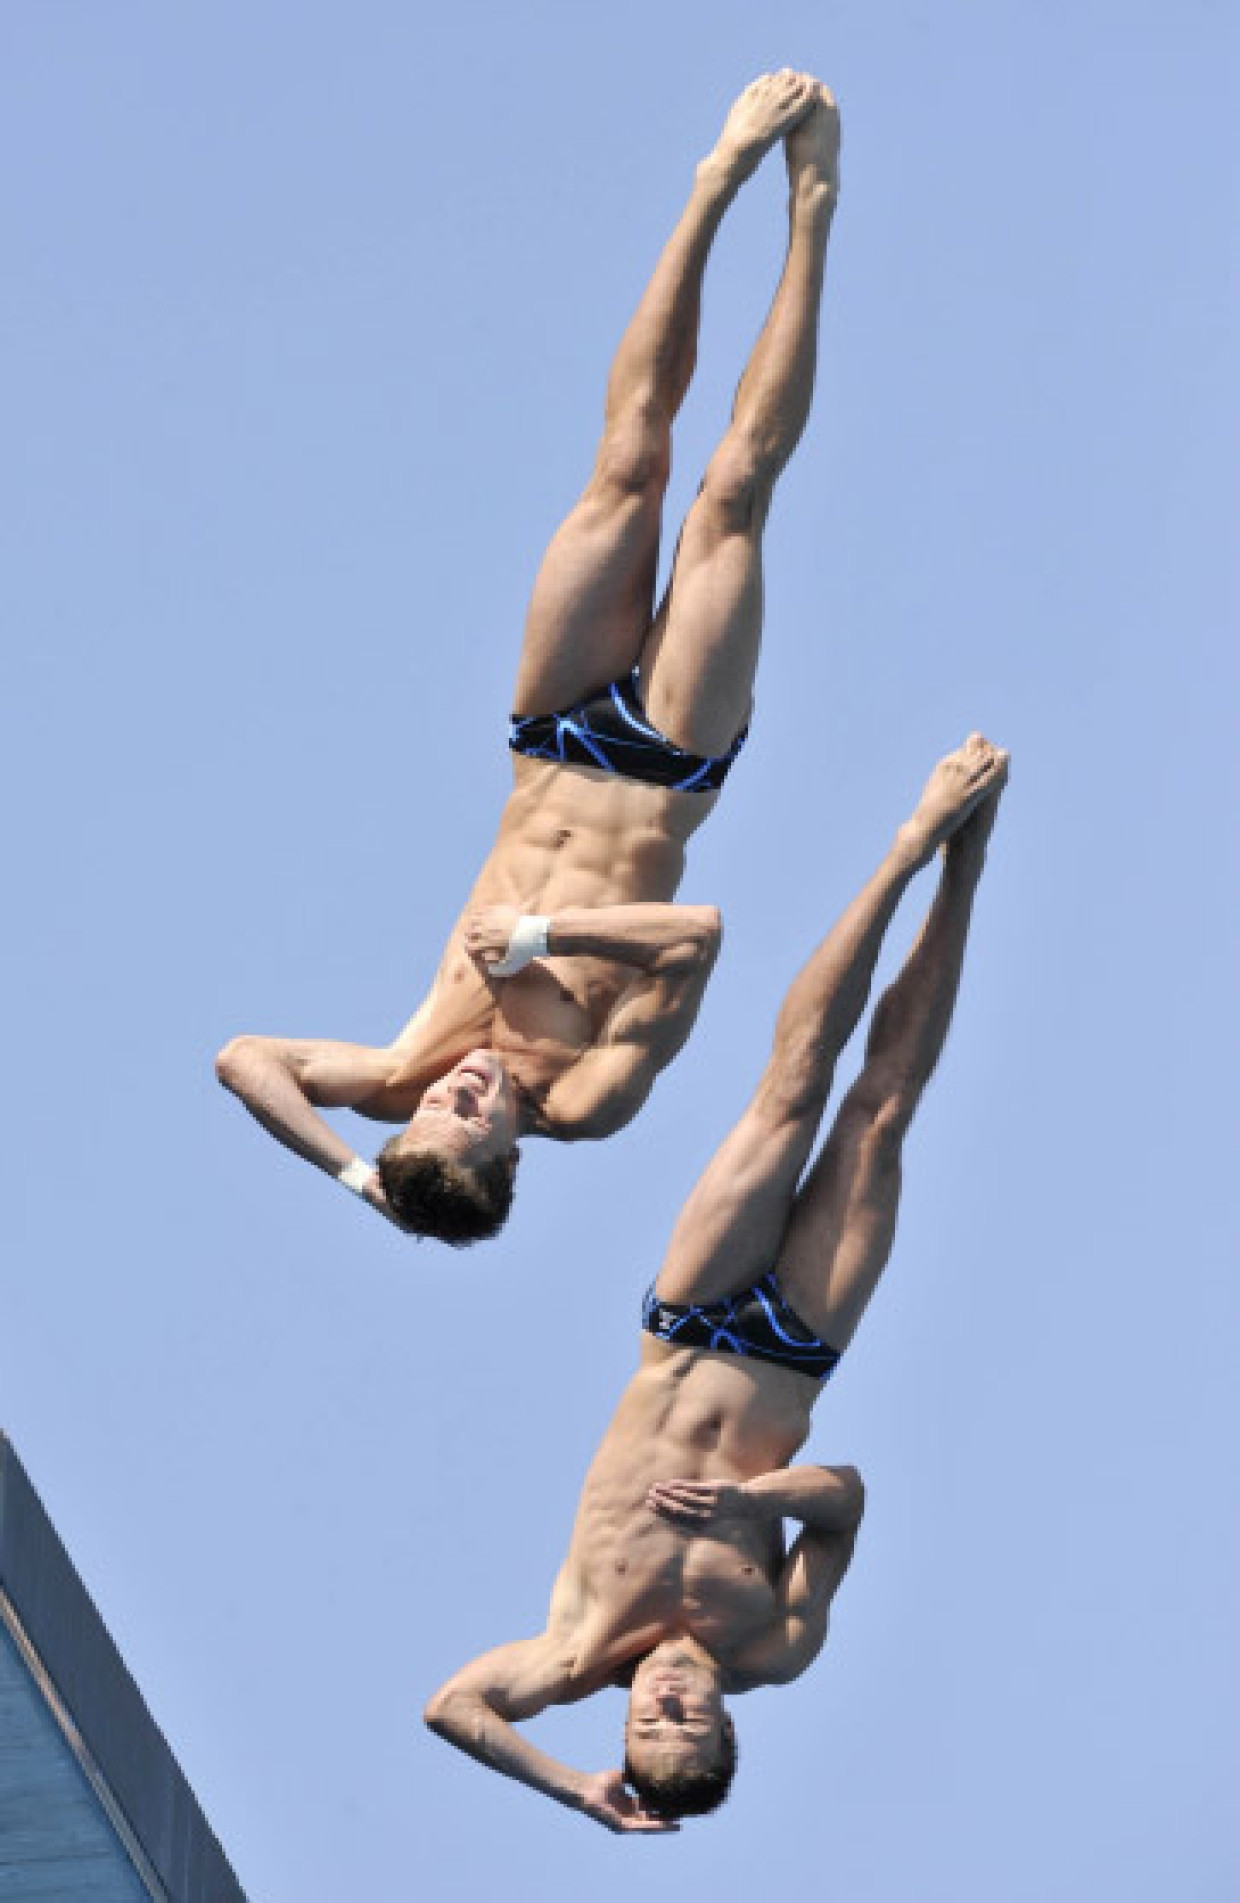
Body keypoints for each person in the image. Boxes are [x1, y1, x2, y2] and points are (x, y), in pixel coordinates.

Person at [216, 72, 841, 1244]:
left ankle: (714, 185)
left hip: (551, 734)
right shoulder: (581, 1102)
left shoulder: (403, 1070)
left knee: (625, 465)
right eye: (471, 1118)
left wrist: (366, 1179)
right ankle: (813, 208)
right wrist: (546, 941)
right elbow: (695, 937)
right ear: (509, 1159)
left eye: (434, 1115)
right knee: (731, 496)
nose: (459, 1093)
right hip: (666, 762)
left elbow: (243, 1058)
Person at [423, 736, 1009, 1828]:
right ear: (727, 1719)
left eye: (649, 1724)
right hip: (794, 1352)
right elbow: (846, 1503)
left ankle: (905, 849)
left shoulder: (575, 1649)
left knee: (790, 1090)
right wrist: (751, 1498)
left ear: (622, 1723)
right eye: (690, 1720)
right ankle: (964, 866)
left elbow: (451, 1705)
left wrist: (574, 1790)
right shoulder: (772, 1645)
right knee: (879, 1116)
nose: (670, 1702)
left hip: (691, 1324)